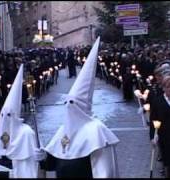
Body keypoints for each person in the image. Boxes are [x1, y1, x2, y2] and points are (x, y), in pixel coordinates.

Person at [40, 37, 120, 178]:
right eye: (67, 103)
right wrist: (41, 158)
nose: (69, 108)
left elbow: (104, 171)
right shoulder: (63, 131)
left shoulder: (96, 131)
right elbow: (52, 164)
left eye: (73, 104)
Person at [0, 64, 41, 178]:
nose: (5, 118)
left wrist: (40, 156)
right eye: (2, 115)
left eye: (8, 115)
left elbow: (34, 160)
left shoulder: (26, 133)